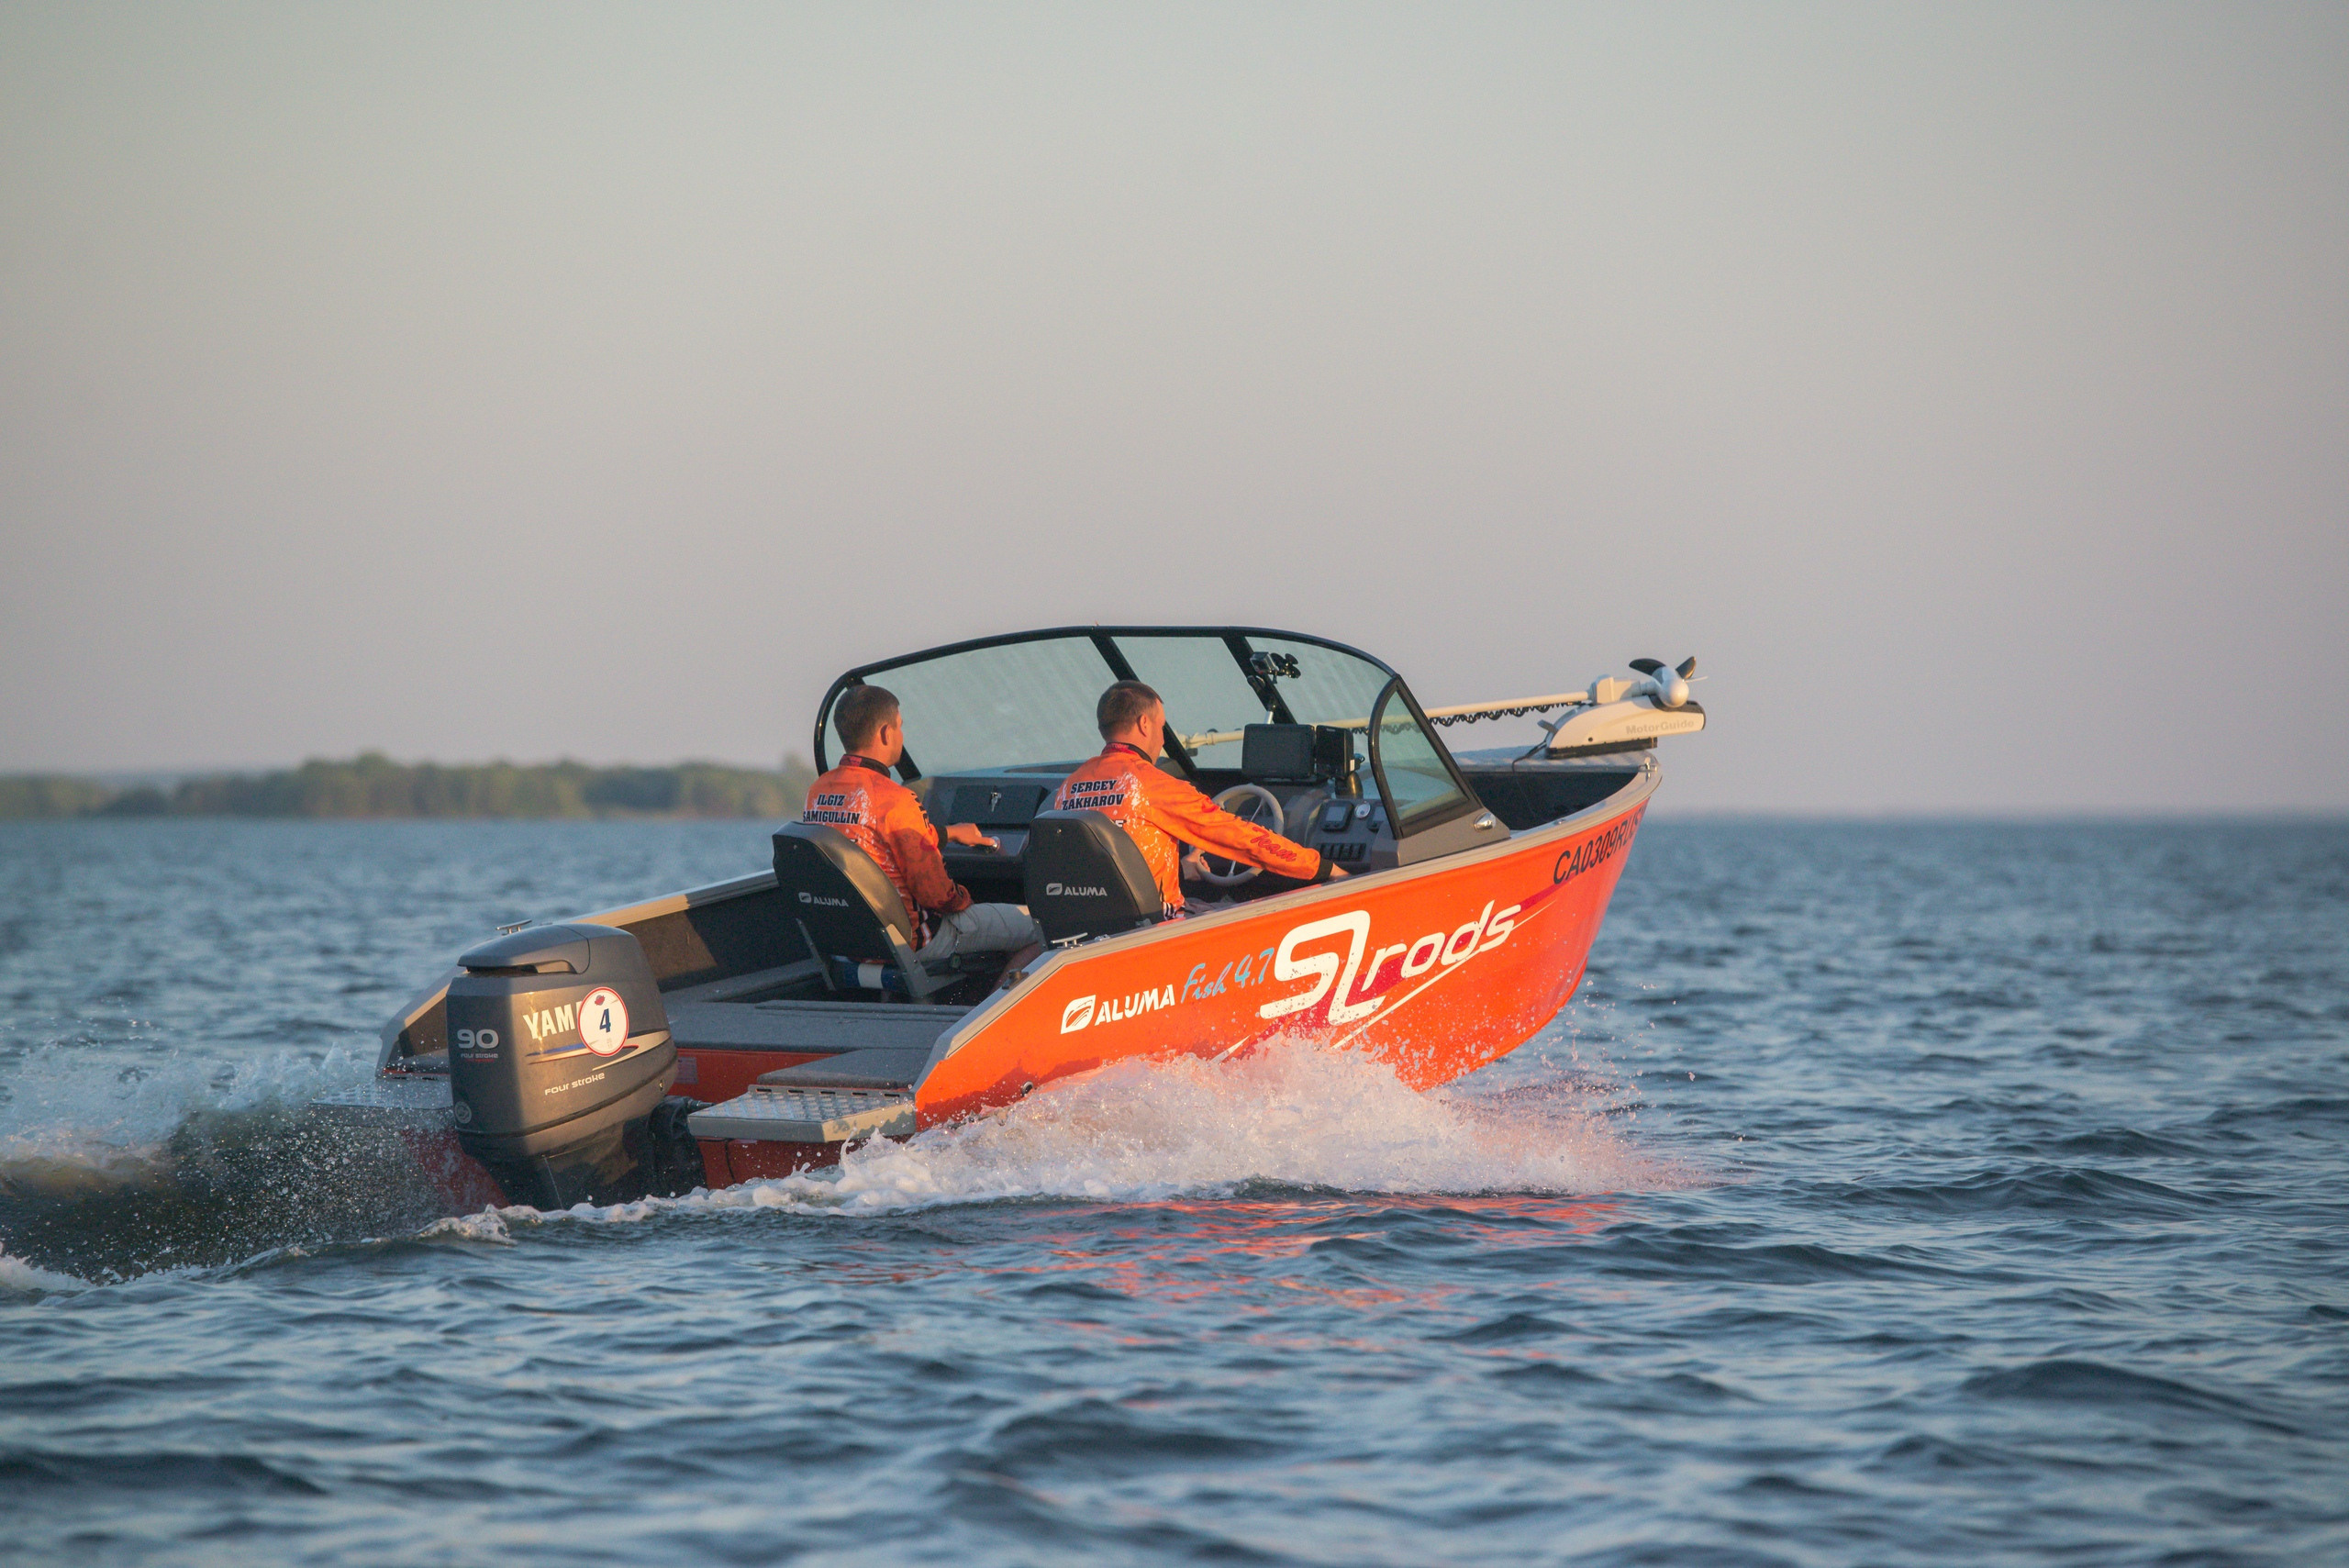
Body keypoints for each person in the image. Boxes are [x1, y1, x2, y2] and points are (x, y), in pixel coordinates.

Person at [1053, 680, 1346, 912]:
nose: (1163, 738)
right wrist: (1325, 868)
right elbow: (1243, 839)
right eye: (1160, 726)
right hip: (1149, 927)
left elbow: (1112, 860)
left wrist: (1179, 868)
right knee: (1247, 911)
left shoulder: (1067, 787)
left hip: (1092, 921)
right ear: (1144, 724)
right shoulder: (1154, 786)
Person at [802, 685, 1041, 962]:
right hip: (913, 941)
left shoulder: (817, 792)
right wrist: (965, 899)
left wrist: (949, 834)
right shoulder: (895, 799)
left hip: (852, 940)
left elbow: (875, 838)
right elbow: (936, 895)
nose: (901, 735)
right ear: (885, 733)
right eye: (900, 727)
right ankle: (996, 1000)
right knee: (1042, 927)